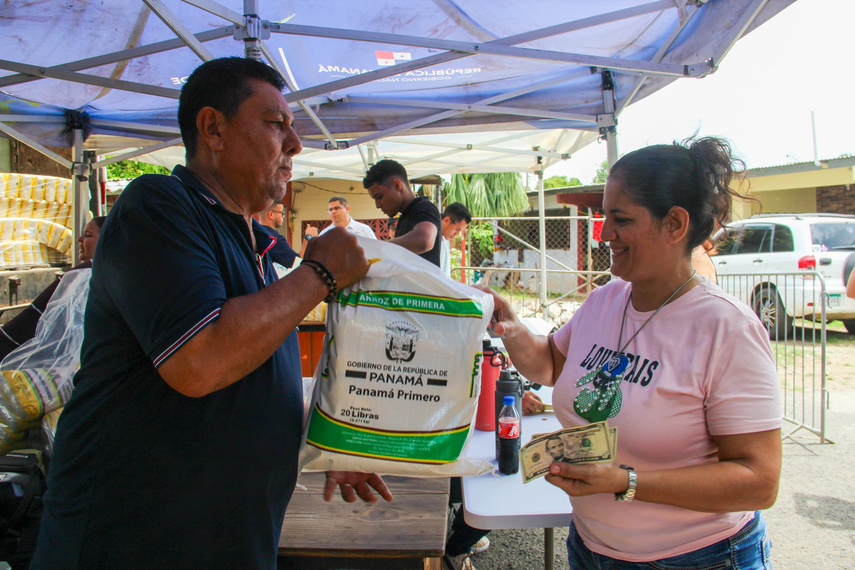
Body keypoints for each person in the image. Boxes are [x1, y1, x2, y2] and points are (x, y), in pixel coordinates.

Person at [30, 57, 391, 570]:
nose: (295, 144)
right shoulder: (157, 206)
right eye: (276, 124)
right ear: (213, 129)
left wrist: (325, 444)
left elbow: (250, 374)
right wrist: (319, 273)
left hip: (228, 542)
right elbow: (199, 360)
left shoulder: (254, 242)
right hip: (134, 545)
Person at [479, 137, 782, 569]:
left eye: (620, 219)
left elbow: (759, 481)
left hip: (697, 558)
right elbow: (549, 364)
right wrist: (510, 326)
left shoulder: (727, 328)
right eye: (605, 217)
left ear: (674, 224)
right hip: (592, 548)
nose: (604, 234)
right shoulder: (606, 299)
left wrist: (626, 481)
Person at [0, 216, 106, 361]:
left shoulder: (82, 274)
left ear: (106, 239)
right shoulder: (113, 274)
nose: (79, 239)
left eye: (88, 235)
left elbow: (33, 317)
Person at [364, 160, 442, 266]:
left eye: (379, 197)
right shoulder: (405, 217)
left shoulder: (424, 208)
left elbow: (424, 241)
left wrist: (379, 247)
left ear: (397, 185)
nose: (378, 205)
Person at [255, 200, 317, 274]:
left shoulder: (254, 233)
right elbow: (297, 264)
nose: (283, 216)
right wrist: (308, 237)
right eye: (281, 213)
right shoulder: (273, 238)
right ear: (271, 214)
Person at [440, 202, 471, 278]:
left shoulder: (445, 239)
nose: (456, 234)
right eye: (457, 229)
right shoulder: (431, 237)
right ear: (446, 220)